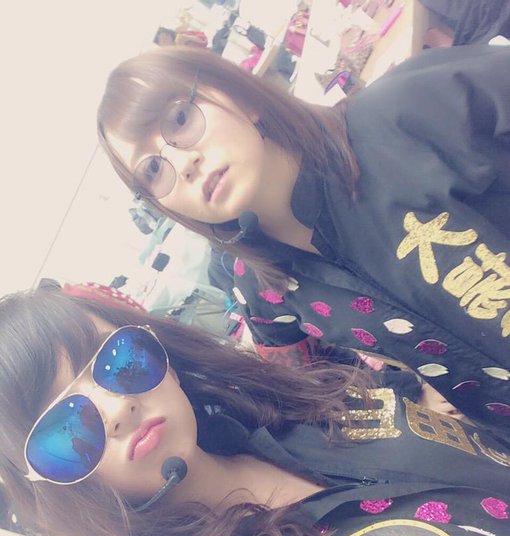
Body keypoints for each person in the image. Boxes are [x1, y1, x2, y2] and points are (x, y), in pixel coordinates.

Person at [1, 285, 510, 536]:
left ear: (162, 358)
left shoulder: (306, 407)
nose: (116, 408)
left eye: (119, 362)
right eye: (64, 430)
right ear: (51, 487)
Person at [96, 42, 510, 440]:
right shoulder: (259, 286)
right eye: (152, 170)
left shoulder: (403, 113)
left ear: (240, 96)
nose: (182, 163)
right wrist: (409, 394)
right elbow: (306, 392)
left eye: (180, 118)